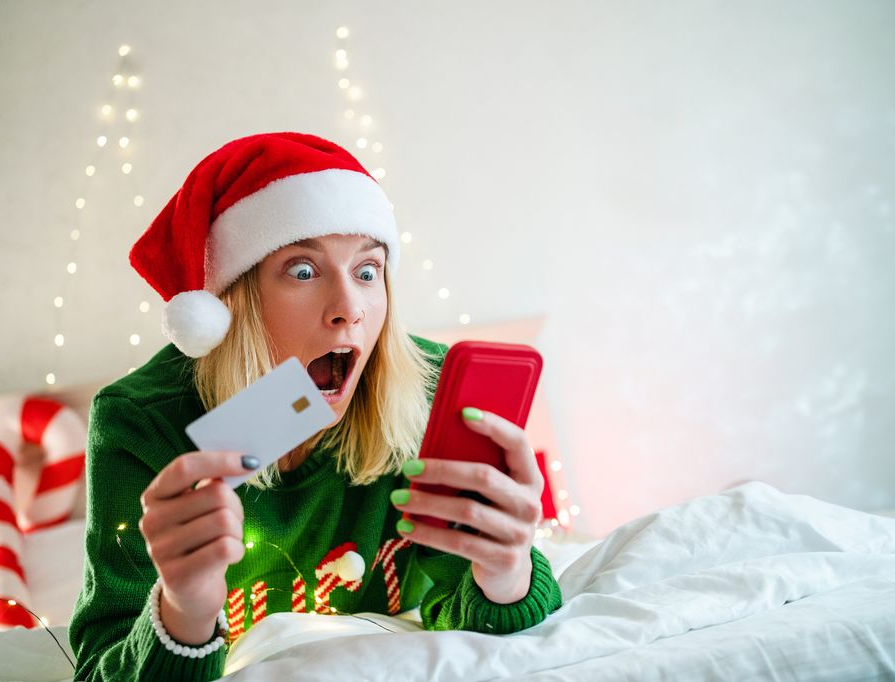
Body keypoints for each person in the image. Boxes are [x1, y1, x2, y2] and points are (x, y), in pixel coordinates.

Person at [68, 132, 562, 681]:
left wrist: (508, 575)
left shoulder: (428, 392)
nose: (348, 309)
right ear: (235, 302)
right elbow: (100, 668)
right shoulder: (142, 423)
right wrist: (182, 612)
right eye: (302, 271)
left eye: (367, 271)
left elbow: (467, 614)